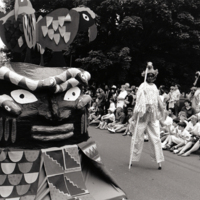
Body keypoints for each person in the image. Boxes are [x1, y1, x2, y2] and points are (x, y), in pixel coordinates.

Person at [129, 62, 165, 170]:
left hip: (152, 116)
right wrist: (134, 117)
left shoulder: (154, 87)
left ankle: (158, 160)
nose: (150, 77)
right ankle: (133, 157)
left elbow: (158, 100)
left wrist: (162, 112)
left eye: (152, 76)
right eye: (148, 75)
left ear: (154, 77)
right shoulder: (142, 86)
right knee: (137, 137)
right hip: (143, 114)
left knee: (156, 138)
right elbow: (139, 103)